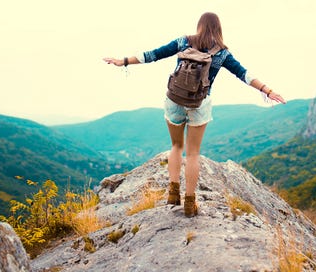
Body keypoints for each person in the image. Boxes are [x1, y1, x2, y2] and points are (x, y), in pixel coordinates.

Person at [103, 12, 285, 217]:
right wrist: (268, 91)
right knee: (192, 154)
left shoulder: (183, 42)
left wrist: (124, 61)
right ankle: (189, 202)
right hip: (200, 103)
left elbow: (153, 54)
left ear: (199, 26)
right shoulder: (222, 53)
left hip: (174, 99)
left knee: (176, 146)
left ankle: (173, 194)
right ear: (218, 29)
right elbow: (244, 74)